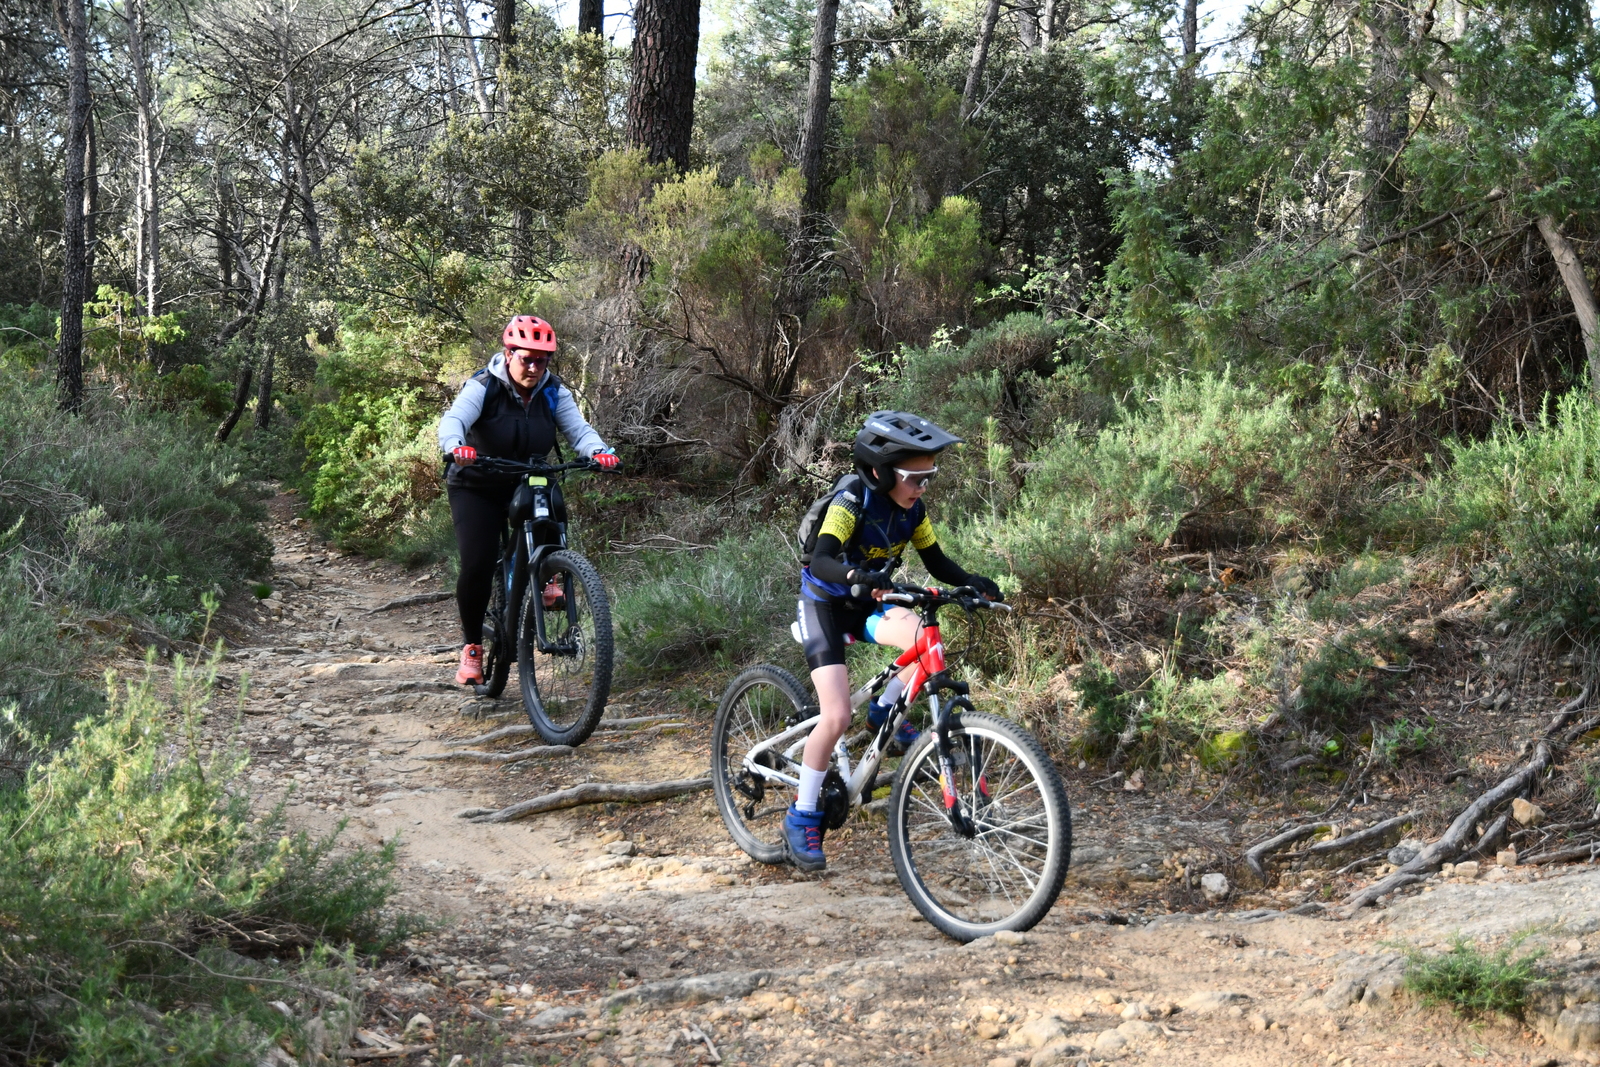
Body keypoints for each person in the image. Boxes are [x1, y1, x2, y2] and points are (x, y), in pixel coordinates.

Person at [786, 411, 1003, 871]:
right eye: (915, 478)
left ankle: (885, 710)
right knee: (836, 715)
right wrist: (855, 575)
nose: (923, 487)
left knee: (922, 639)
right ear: (880, 472)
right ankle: (802, 815)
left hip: (868, 601)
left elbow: (936, 560)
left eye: (930, 477)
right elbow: (821, 559)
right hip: (825, 605)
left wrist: (971, 581)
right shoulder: (852, 499)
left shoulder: (913, 510)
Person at [437, 314, 619, 686]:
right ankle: (473, 647)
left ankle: (549, 572)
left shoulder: (553, 391)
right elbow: (454, 420)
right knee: (477, 563)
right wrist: (456, 447)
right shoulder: (484, 386)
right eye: (527, 359)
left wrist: (599, 451)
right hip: (477, 482)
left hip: (524, 477)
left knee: (551, 498)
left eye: (542, 360)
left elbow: (579, 430)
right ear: (509, 354)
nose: (535, 368)